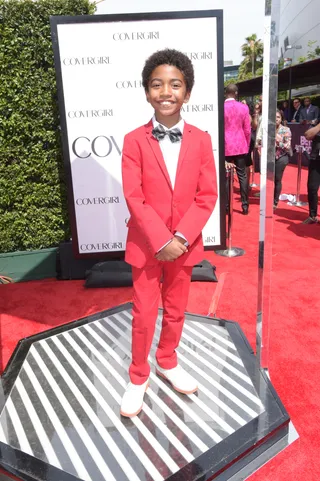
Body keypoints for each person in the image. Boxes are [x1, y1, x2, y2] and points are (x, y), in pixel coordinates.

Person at [121, 49, 217, 418]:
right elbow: (134, 196)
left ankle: (168, 359)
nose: (166, 91)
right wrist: (162, 240)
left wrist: (180, 238)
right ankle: (138, 375)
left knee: (176, 310)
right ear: (147, 92)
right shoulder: (133, 140)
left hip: (185, 246)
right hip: (147, 246)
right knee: (144, 312)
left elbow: (206, 196)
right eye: (157, 84)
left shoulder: (200, 139)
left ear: (187, 93)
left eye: (175, 84)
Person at [224, 84, 251, 214]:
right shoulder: (244, 107)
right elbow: (247, 129)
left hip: (225, 146)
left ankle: (227, 207)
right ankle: (245, 206)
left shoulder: (221, 108)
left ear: (225, 93)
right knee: (242, 176)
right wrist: (246, 144)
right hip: (240, 145)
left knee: (226, 177)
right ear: (236, 93)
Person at [257, 109, 292, 208]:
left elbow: (287, 146)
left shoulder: (286, 130)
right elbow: (261, 141)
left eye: (278, 117)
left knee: (277, 179)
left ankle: (275, 202)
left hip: (281, 157)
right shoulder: (268, 129)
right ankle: (267, 197)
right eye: (274, 117)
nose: (276, 119)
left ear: (281, 119)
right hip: (269, 157)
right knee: (267, 178)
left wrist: (277, 140)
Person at [303, 123, 320, 224]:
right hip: (316, 160)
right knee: (312, 188)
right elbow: (307, 135)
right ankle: (312, 216)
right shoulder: (316, 124)